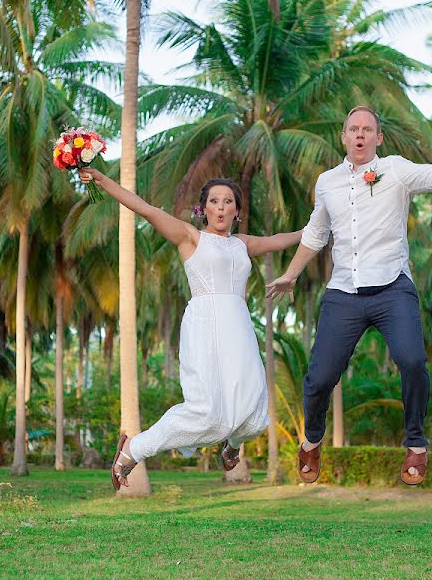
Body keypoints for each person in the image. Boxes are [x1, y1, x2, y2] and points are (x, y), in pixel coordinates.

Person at [265, 81, 432, 485]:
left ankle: (415, 443)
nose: (359, 135)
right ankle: (312, 439)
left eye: (366, 130)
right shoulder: (327, 182)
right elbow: (315, 234)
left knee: (412, 360)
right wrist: (290, 274)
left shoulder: (395, 170)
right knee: (320, 377)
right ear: (343, 137)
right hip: (343, 292)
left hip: (393, 287)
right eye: (352, 129)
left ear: (378, 137)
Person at [78, 168, 302, 489]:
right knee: (206, 412)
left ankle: (232, 444)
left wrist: (319, 227)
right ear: (204, 208)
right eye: (215, 201)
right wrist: (103, 181)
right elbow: (146, 209)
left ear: (237, 210)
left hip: (239, 326)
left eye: (228, 202)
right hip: (206, 325)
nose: (222, 207)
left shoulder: (242, 244)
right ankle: (133, 448)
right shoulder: (190, 237)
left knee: (255, 413)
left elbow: (282, 240)